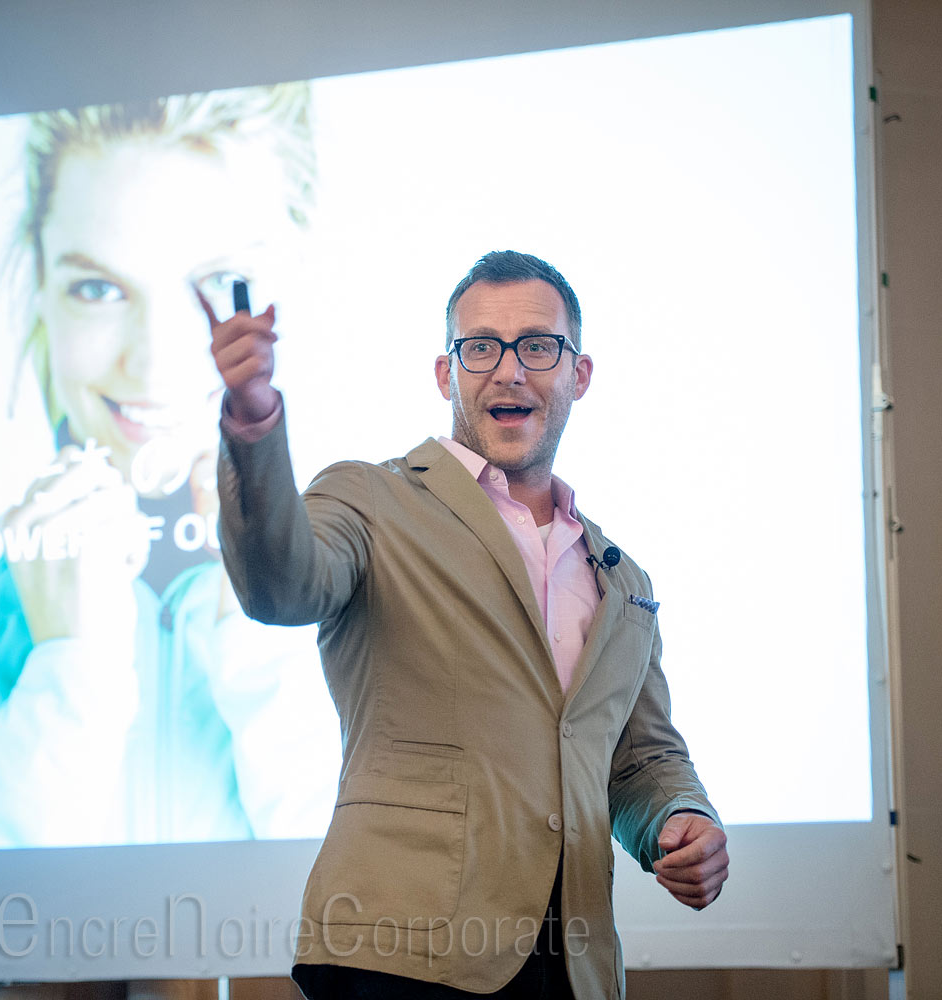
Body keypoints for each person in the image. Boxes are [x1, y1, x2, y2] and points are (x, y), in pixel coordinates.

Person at [0, 84, 339, 855]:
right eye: (99, 288)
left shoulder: (418, 615)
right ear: (39, 288)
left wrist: (264, 621)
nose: (156, 361)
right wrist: (70, 679)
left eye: (220, 288)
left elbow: (405, 950)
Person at [205, 251, 729, 999]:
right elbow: (279, 585)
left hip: (571, 966)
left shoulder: (621, 578)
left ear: (578, 375)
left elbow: (640, 761)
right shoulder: (370, 500)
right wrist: (254, 417)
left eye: (537, 347)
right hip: (401, 960)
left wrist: (683, 820)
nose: (509, 370)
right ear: (448, 375)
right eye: (480, 346)